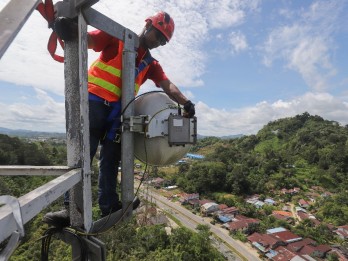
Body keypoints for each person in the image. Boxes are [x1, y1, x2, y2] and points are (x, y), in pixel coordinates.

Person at [43, 11, 195, 226]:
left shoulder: (150, 63)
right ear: (148, 26)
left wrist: (186, 102)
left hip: (119, 112)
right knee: (83, 155)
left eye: (163, 41)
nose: (159, 42)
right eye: (158, 36)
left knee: (112, 159)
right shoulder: (117, 37)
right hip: (94, 102)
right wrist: (69, 31)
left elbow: (166, 84)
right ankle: (70, 210)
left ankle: (109, 205)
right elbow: (89, 39)